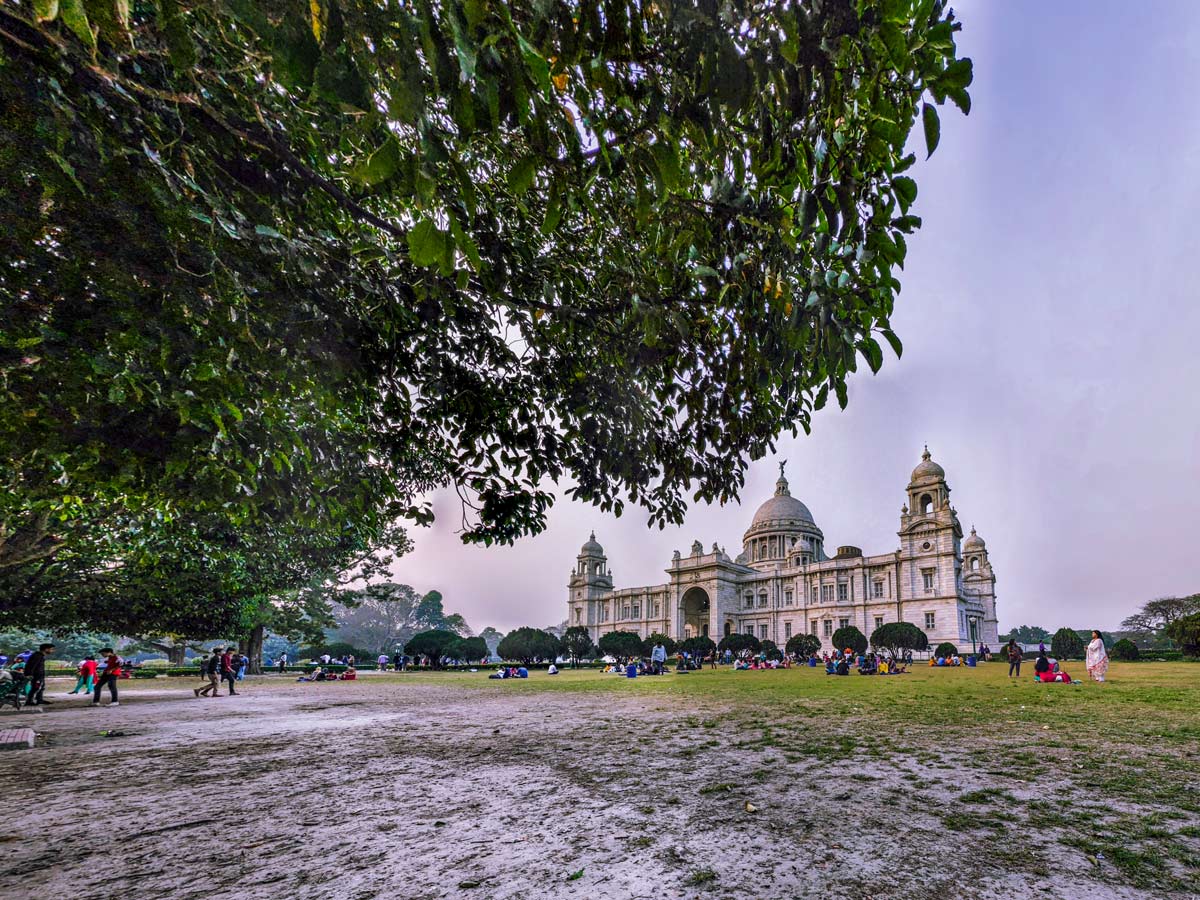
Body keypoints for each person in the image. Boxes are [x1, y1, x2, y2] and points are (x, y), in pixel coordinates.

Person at [23, 642, 54, 707]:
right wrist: (29, 674)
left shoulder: (40, 656)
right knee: (36, 687)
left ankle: (39, 699)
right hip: (36, 675)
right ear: (46, 649)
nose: (52, 651)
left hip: (40, 675)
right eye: (51, 649)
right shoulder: (37, 656)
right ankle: (29, 701)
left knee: (41, 687)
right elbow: (31, 666)